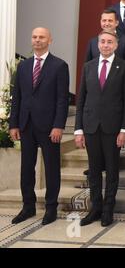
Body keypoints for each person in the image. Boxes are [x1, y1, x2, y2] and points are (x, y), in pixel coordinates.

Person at [75, 31, 125, 227]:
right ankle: (95, 207)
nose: (106, 45)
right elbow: (81, 100)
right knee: (93, 171)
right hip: (91, 126)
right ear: (97, 44)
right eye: (103, 41)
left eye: (110, 42)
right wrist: (78, 130)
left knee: (111, 170)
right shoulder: (88, 67)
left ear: (116, 45)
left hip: (113, 128)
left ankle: (108, 208)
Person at [9, 27, 69, 225]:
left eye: (41, 37)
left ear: (50, 40)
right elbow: (16, 96)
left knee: (52, 167)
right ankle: (28, 206)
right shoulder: (24, 66)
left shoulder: (59, 66)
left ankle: (51, 208)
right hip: (26, 124)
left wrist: (59, 125)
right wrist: (14, 124)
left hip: (49, 126)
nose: (37, 40)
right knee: (27, 167)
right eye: (34, 37)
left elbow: (62, 99)